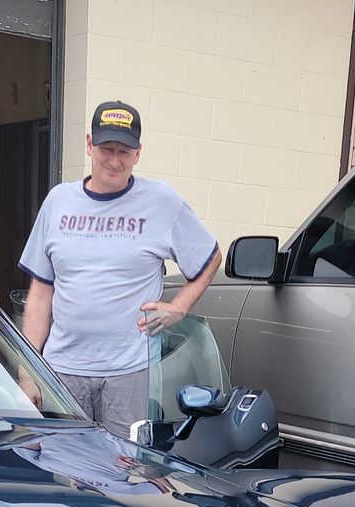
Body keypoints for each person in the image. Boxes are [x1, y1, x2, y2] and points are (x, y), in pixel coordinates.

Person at [18, 101, 221, 438]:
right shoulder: (58, 202)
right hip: (62, 373)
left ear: (138, 153)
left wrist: (179, 308)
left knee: (125, 476)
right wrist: (28, 372)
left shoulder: (161, 202)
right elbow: (40, 295)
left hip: (128, 374)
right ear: (88, 144)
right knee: (64, 476)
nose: (113, 160)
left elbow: (209, 257)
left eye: (124, 151)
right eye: (106, 148)